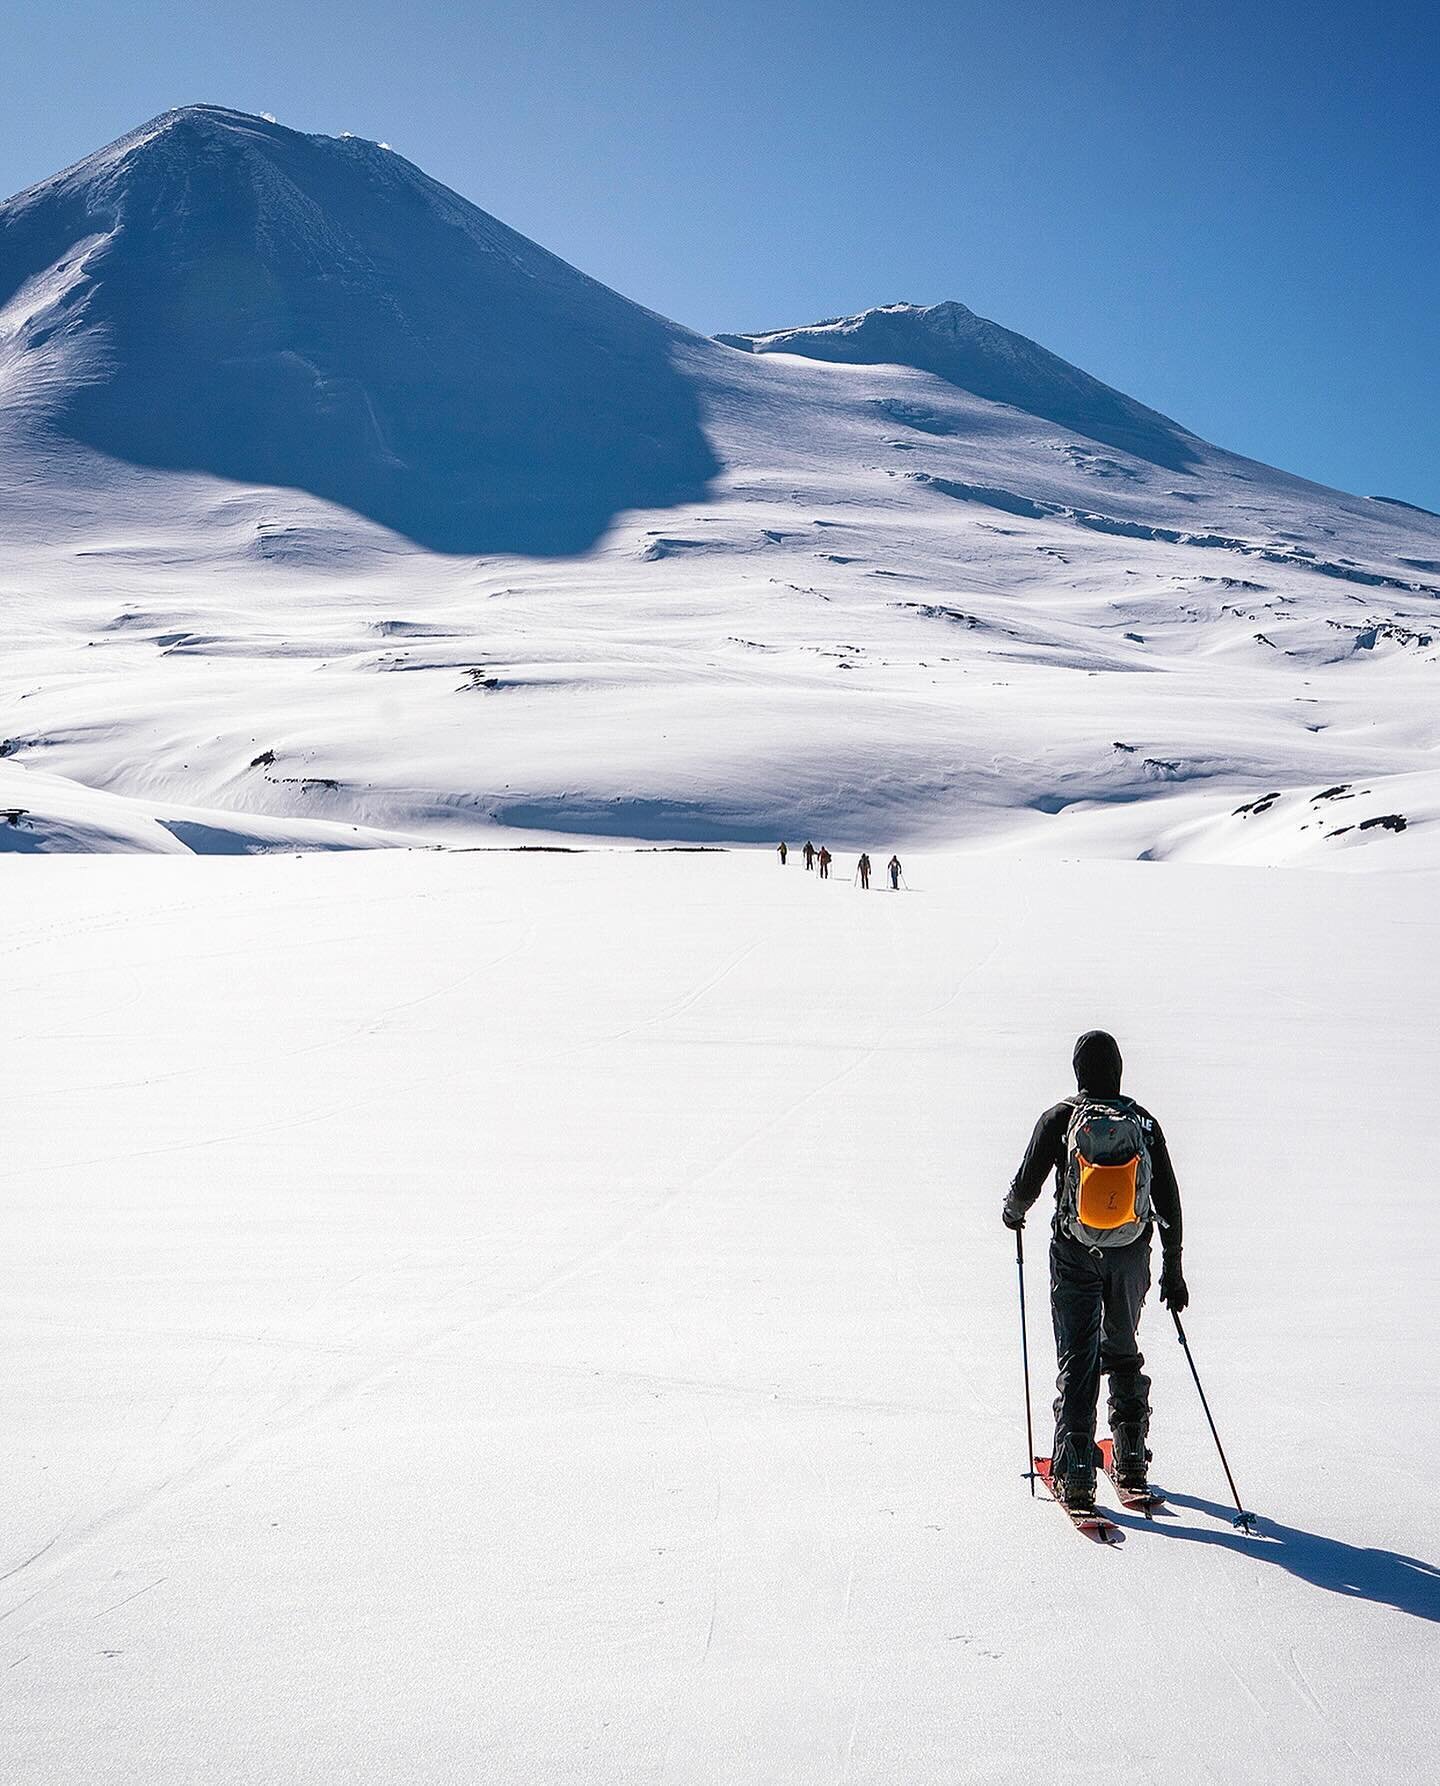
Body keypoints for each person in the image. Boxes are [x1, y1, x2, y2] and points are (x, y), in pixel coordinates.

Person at [1001, 1030, 1187, 1514]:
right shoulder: (1142, 1123)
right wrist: (1174, 1266)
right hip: (1130, 1254)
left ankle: (1077, 1469)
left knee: (1078, 1358)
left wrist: (1013, 1213)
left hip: (1075, 1254)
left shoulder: (1061, 1118)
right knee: (1122, 1348)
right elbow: (1167, 1197)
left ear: (1079, 1071)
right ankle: (1129, 1458)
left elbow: (1028, 1182)